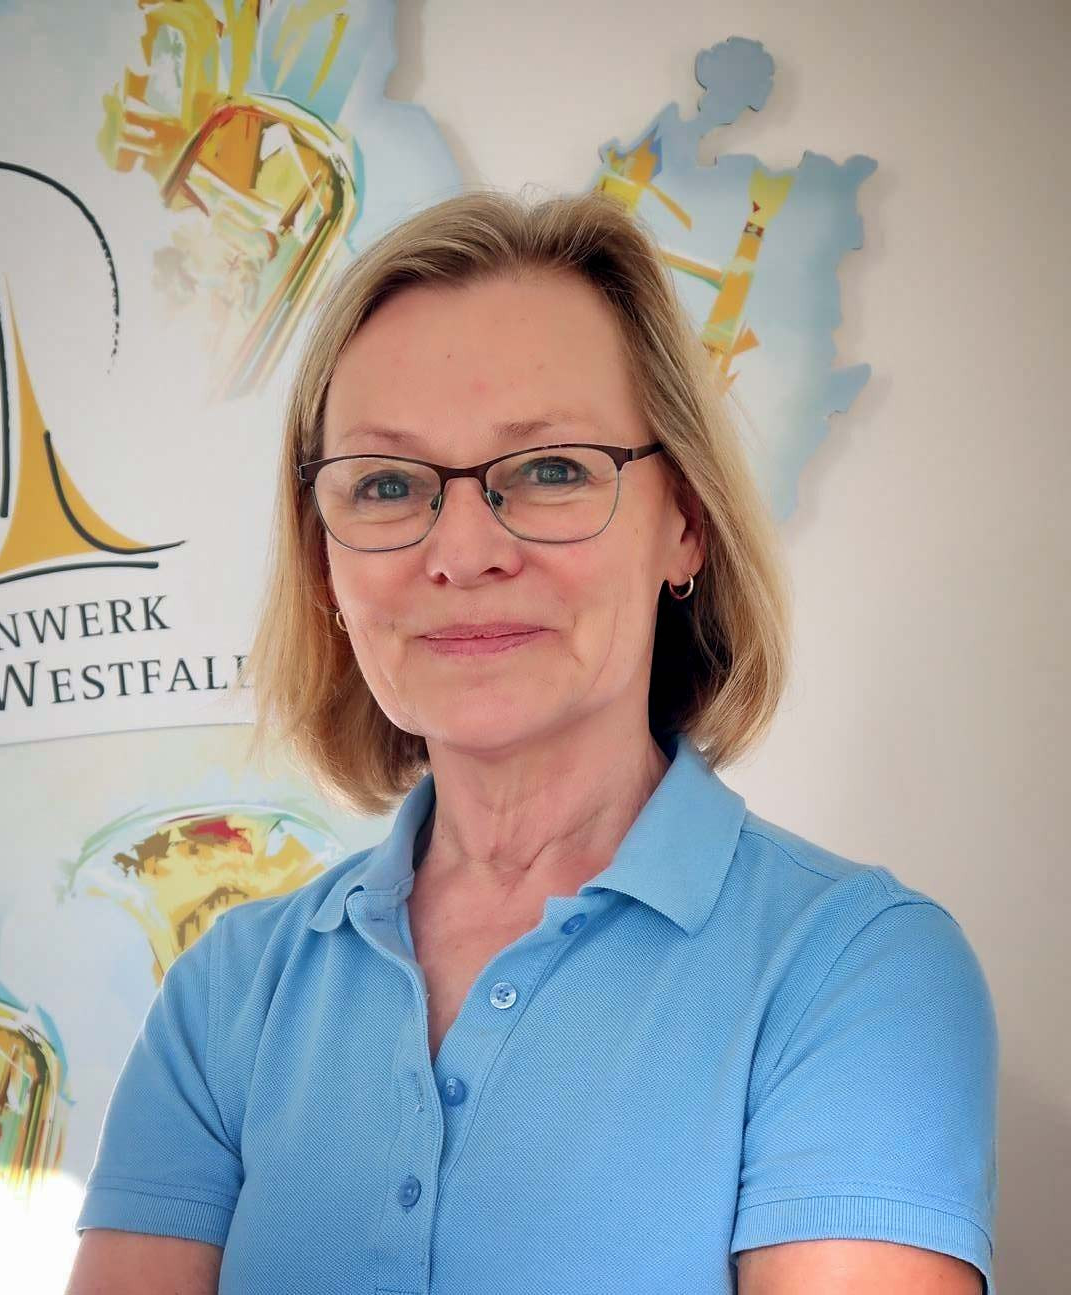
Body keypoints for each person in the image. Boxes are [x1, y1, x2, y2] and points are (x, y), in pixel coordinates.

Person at [66, 190, 997, 1294]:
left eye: (552, 468)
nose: (463, 552)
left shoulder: (855, 971)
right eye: (386, 484)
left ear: (684, 522)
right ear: (326, 561)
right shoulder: (227, 992)